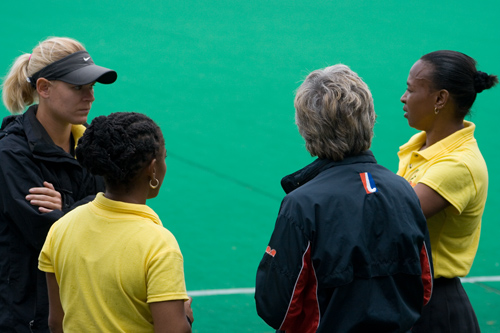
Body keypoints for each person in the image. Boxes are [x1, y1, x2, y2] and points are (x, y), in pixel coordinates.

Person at [255, 64, 433, 333]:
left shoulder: (302, 204)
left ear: (306, 127)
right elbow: (424, 285)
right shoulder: (404, 190)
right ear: (370, 118)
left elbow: (275, 305)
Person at [0, 37, 117, 332]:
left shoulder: (92, 145)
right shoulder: (11, 154)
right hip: (27, 317)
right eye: (78, 87)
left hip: (85, 309)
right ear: (44, 88)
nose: (90, 97)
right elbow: (52, 237)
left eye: (91, 87)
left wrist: (65, 207)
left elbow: (119, 211)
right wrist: (95, 206)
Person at [38, 112, 193, 332]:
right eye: (164, 156)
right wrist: (184, 318)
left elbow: (56, 323)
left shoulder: (61, 228)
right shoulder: (158, 244)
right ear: (152, 168)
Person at [398, 50, 498, 332]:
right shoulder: (418, 146)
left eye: (410, 89)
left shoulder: (459, 165)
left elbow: (393, 219)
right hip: (406, 298)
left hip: (434, 310)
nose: (403, 97)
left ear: (440, 99)